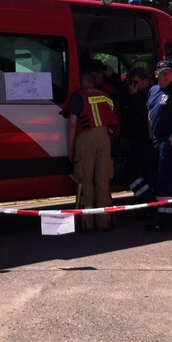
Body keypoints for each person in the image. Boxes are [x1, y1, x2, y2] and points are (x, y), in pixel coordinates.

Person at [67, 71, 119, 231]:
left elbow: (72, 124)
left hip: (86, 137)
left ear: (82, 81)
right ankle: (104, 221)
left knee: (85, 179)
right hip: (104, 137)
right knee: (103, 179)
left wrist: (70, 148)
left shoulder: (78, 96)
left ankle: (87, 222)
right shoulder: (105, 97)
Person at [145, 59, 172, 231]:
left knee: (166, 181)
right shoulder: (152, 91)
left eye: (168, 72)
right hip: (155, 140)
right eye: (162, 73)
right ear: (156, 74)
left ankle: (167, 221)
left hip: (168, 142)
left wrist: (171, 140)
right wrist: (151, 137)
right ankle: (160, 217)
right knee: (156, 179)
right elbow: (149, 114)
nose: (166, 76)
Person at [119, 67, 155, 202]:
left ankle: (149, 201)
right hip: (135, 139)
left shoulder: (150, 93)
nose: (133, 85)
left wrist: (134, 96)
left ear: (145, 81)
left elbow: (145, 113)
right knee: (136, 174)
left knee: (133, 174)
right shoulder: (134, 92)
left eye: (136, 82)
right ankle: (148, 202)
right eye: (131, 82)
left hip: (145, 140)